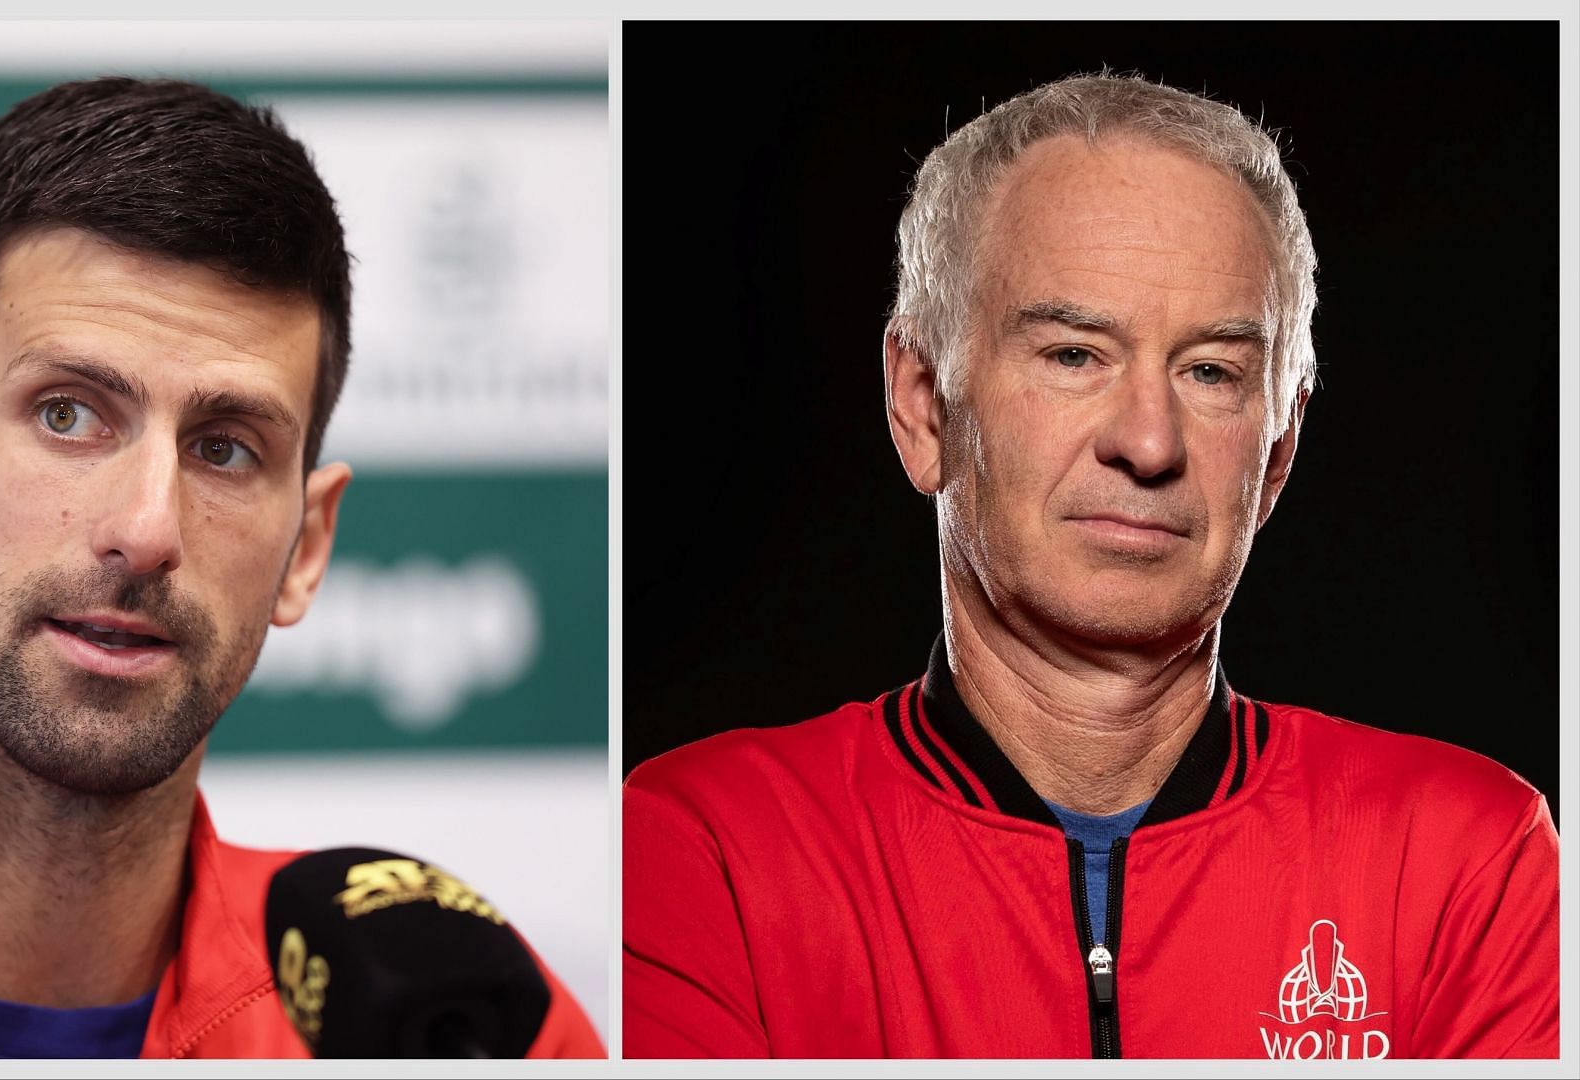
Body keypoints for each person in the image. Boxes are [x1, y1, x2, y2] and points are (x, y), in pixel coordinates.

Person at [622, 73, 1558, 1060]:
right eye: (1074, 355)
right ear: (922, 404)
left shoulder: (1466, 863)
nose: (1148, 442)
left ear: (1280, 447)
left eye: (1212, 372)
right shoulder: (705, 855)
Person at [0, 77, 602, 1060]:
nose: (147, 528)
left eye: (225, 448)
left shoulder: (450, 1035)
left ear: (309, 547)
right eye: (67, 414)